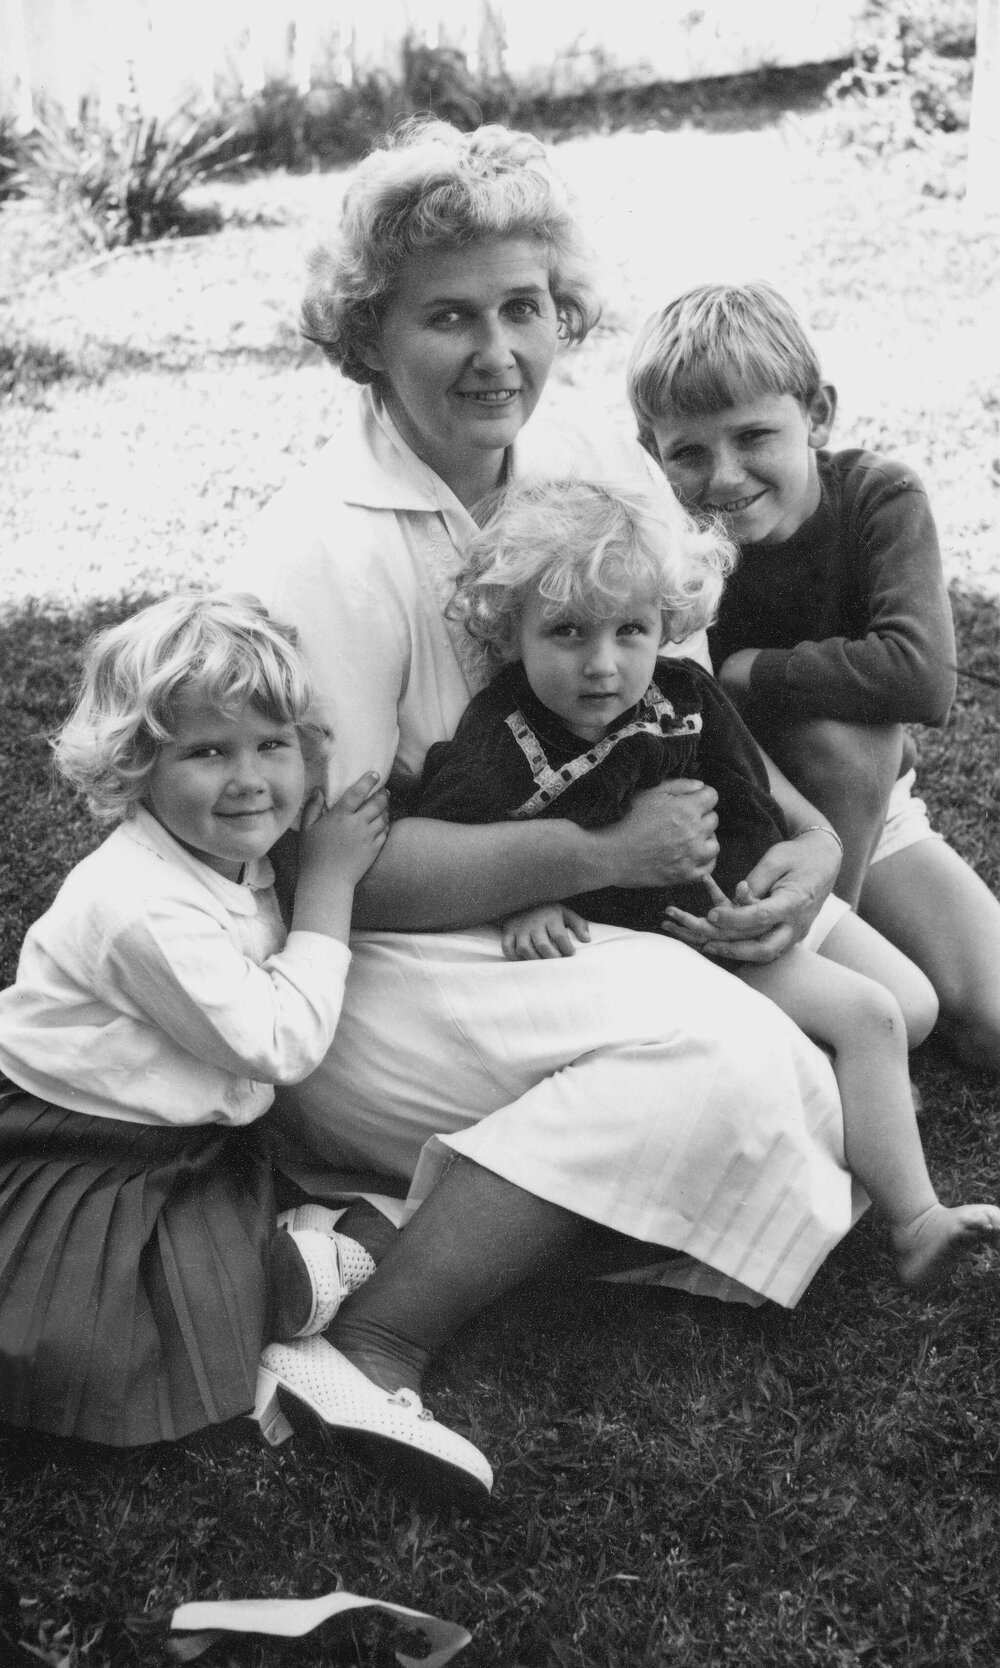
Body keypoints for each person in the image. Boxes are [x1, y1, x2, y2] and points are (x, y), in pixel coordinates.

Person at [232, 118, 863, 1508]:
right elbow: (315, 868)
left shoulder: (574, 450)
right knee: (747, 1075)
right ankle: (372, 1339)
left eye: (522, 307)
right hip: (360, 969)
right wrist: (600, 852)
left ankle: (373, 1221)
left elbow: (688, 693)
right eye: (447, 316)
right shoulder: (320, 546)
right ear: (368, 336)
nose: (496, 351)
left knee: (802, 1083)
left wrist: (809, 840)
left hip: (545, 927)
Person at [417, 476, 1000, 1289]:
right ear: (511, 632)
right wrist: (529, 895)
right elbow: (458, 830)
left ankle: (847, 1118)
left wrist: (784, 891)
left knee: (912, 1004)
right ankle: (915, 1219)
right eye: (567, 633)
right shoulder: (502, 739)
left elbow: (747, 795)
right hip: (676, 942)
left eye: (632, 630)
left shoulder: (684, 693)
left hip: (743, 901)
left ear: (667, 623)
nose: (602, 664)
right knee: (870, 1018)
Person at [0, 592, 494, 1504]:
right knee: (97, 1343)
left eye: (272, 745)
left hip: (185, 1135)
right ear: (136, 769)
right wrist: (332, 886)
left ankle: (303, 1250)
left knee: (369, 1212)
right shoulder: (138, 906)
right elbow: (279, 1040)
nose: (248, 779)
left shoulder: (225, 851)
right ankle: (291, 1269)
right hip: (85, 1147)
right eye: (206, 752)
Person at [627, 280, 1000, 1075]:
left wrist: (750, 672)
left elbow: (921, 678)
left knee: (994, 1022)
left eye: (755, 435)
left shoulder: (876, 496)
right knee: (850, 737)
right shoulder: (660, 541)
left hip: (871, 814)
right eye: (688, 452)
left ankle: (841, 955)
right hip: (736, 814)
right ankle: (816, 995)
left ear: (818, 415)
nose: (724, 478)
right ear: (648, 451)